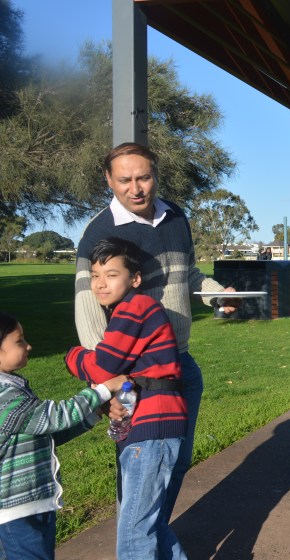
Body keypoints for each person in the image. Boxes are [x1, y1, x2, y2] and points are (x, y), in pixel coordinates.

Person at [74, 142, 237, 524]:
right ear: (108, 180)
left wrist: (217, 294)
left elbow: (188, 274)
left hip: (181, 364)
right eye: (124, 180)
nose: (135, 188)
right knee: (137, 474)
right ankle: (137, 543)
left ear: (156, 175)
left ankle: (154, 538)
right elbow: (87, 306)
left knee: (177, 462)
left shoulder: (176, 217)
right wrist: (108, 385)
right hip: (133, 376)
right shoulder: (99, 231)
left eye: (143, 177)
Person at [67, 237, 188, 558]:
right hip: (150, 426)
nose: (100, 283)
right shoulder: (129, 310)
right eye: (95, 275)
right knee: (147, 522)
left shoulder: (136, 308)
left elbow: (104, 366)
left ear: (135, 279)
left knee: (134, 530)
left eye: (111, 274)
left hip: (152, 427)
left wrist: (72, 356)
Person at [0, 312, 127, 559]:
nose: (28, 345)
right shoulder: (4, 397)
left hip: (31, 504)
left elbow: (47, 434)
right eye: (19, 341)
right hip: (15, 512)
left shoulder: (13, 387)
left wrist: (94, 414)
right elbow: (56, 416)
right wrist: (103, 390)